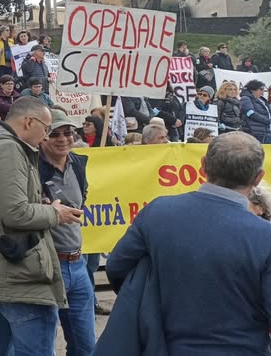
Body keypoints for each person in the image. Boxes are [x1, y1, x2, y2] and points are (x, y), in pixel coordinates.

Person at [102, 132, 271, 354]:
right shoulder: (265, 236)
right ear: (258, 177)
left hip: (165, 346)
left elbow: (117, 267)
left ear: (203, 165)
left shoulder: (158, 213)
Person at [0, 97, 83, 356]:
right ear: (28, 121)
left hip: (1, 268)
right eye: (46, 128)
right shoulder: (8, 150)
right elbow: (15, 213)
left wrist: (39, 204)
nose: (46, 137)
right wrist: (54, 213)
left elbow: (3, 206)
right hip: (19, 273)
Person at [38, 110, 95, 356]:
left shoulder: (79, 163)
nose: (63, 139)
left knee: (86, 346)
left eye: (68, 132)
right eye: (55, 134)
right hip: (49, 266)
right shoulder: (32, 168)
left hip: (78, 264)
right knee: (44, 345)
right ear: (42, 138)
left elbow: (80, 200)